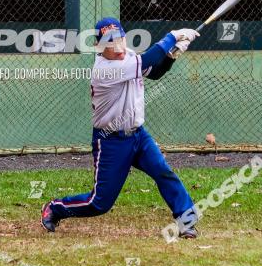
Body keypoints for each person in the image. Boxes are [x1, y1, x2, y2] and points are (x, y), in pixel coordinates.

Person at [41, 18, 200, 238]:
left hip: (138, 135)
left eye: (119, 40)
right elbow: (149, 59)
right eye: (109, 42)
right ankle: (55, 208)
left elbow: (153, 71)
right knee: (99, 203)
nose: (116, 47)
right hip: (110, 140)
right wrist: (172, 37)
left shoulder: (129, 55)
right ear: (99, 46)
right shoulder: (105, 69)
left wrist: (171, 56)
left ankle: (186, 221)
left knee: (163, 172)